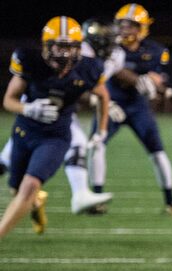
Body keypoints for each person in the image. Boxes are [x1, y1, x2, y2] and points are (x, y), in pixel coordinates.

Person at [0, 17, 110, 239]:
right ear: (47, 46)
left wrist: (102, 129)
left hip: (55, 137)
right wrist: (28, 108)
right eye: (60, 46)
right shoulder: (29, 61)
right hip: (24, 133)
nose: (65, 53)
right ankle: (37, 203)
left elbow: (103, 96)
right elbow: (9, 100)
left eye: (70, 46)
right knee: (16, 189)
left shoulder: (88, 69)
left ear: (79, 47)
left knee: (29, 186)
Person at [90, 3, 172, 217]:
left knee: (157, 152)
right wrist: (138, 79)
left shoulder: (155, 51)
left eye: (131, 25)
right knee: (97, 144)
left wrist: (170, 92)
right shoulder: (109, 47)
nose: (125, 30)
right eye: (122, 25)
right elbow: (110, 72)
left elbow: (156, 82)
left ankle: (170, 202)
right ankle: (96, 198)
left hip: (138, 107)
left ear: (142, 28)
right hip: (110, 104)